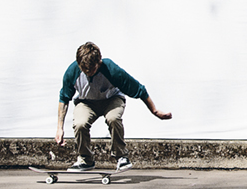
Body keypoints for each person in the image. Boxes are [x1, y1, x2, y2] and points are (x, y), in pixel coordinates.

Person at [56, 41, 172, 171]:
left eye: (92, 69)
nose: (88, 73)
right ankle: (85, 159)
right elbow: (64, 99)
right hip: (87, 103)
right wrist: (59, 128)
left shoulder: (111, 69)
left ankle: (121, 156)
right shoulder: (72, 72)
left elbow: (139, 89)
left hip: (111, 100)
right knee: (80, 124)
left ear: (99, 62)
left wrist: (155, 111)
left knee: (113, 118)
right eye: (85, 70)